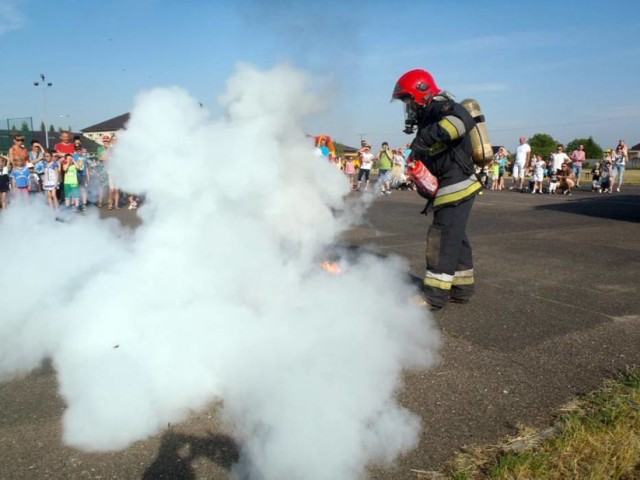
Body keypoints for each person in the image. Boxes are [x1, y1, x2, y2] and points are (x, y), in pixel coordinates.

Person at [391, 68, 482, 310]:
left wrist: (423, 140)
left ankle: (433, 296)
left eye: (408, 100)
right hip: (451, 185)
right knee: (456, 238)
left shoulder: (443, 107)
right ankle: (461, 289)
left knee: (441, 239)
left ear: (421, 92)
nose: (408, 106)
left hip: (456, 185)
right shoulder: (429, 117)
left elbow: (461, 122)